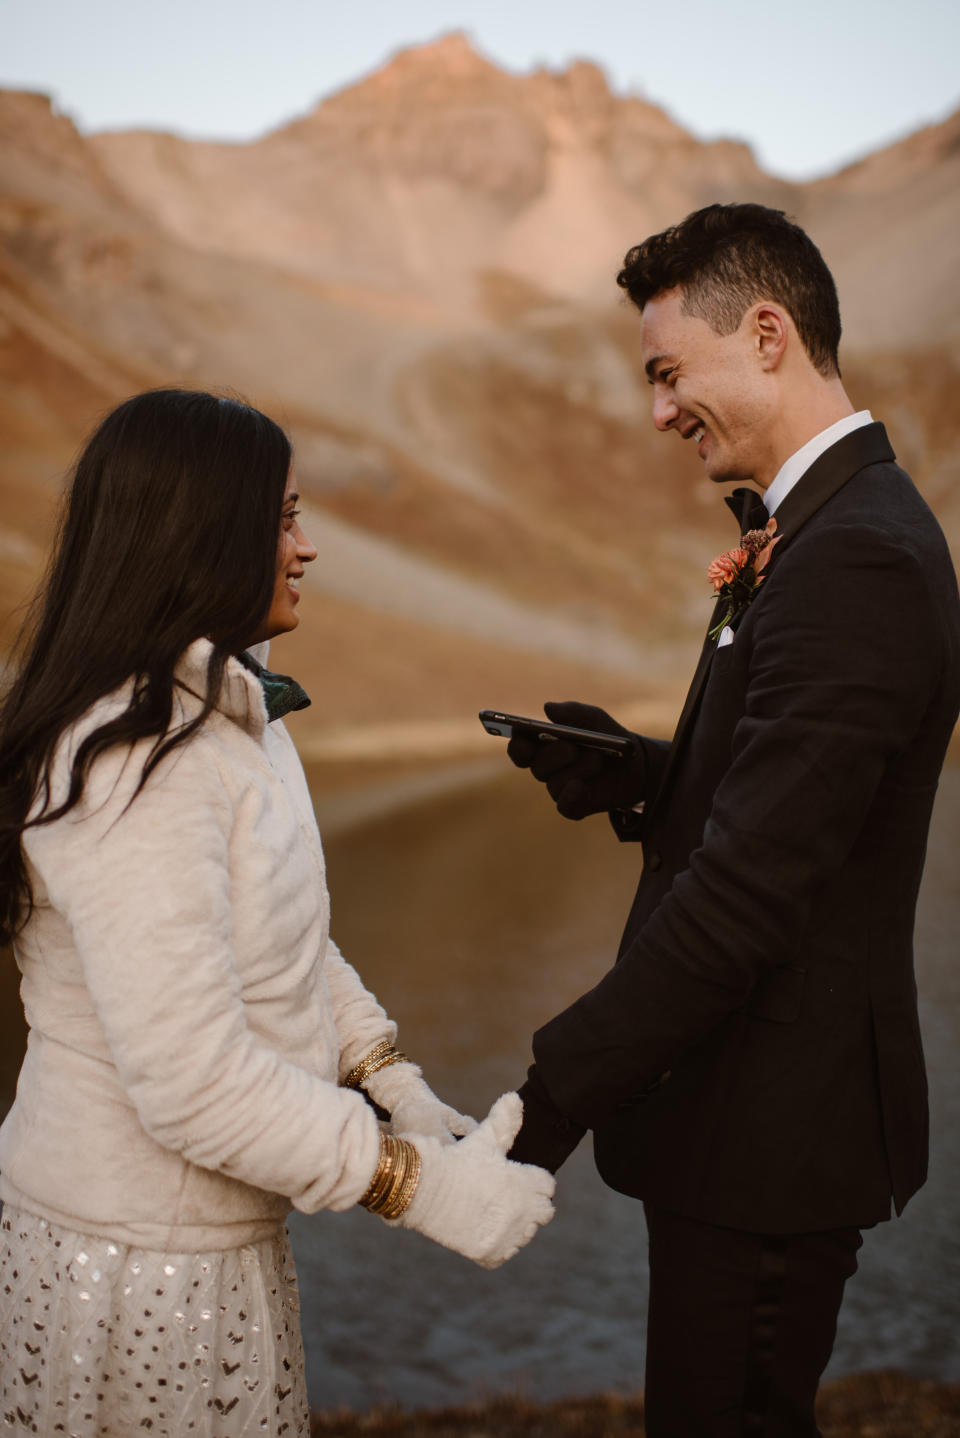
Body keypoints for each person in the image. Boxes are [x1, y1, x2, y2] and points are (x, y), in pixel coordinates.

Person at [0, 388, 554, 1437]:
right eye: (283, 519)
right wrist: (416, 1184)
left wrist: (394, 1081)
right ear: (203, 536)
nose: (306, 549)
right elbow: (192, 1082)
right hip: (128, 1274)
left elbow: (286, 934)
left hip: (204, 1250)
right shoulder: (134, 762)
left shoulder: (231, 712)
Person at [504, 204, 960, 1436]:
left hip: (776, 1134)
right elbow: (796, 802)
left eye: (667, 373)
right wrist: (644, 777)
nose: (658, 410)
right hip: (744, 1124)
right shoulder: (811, 531)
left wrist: (545, 1102)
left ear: (767, 335)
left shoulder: (856, 554)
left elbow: (753, 891)